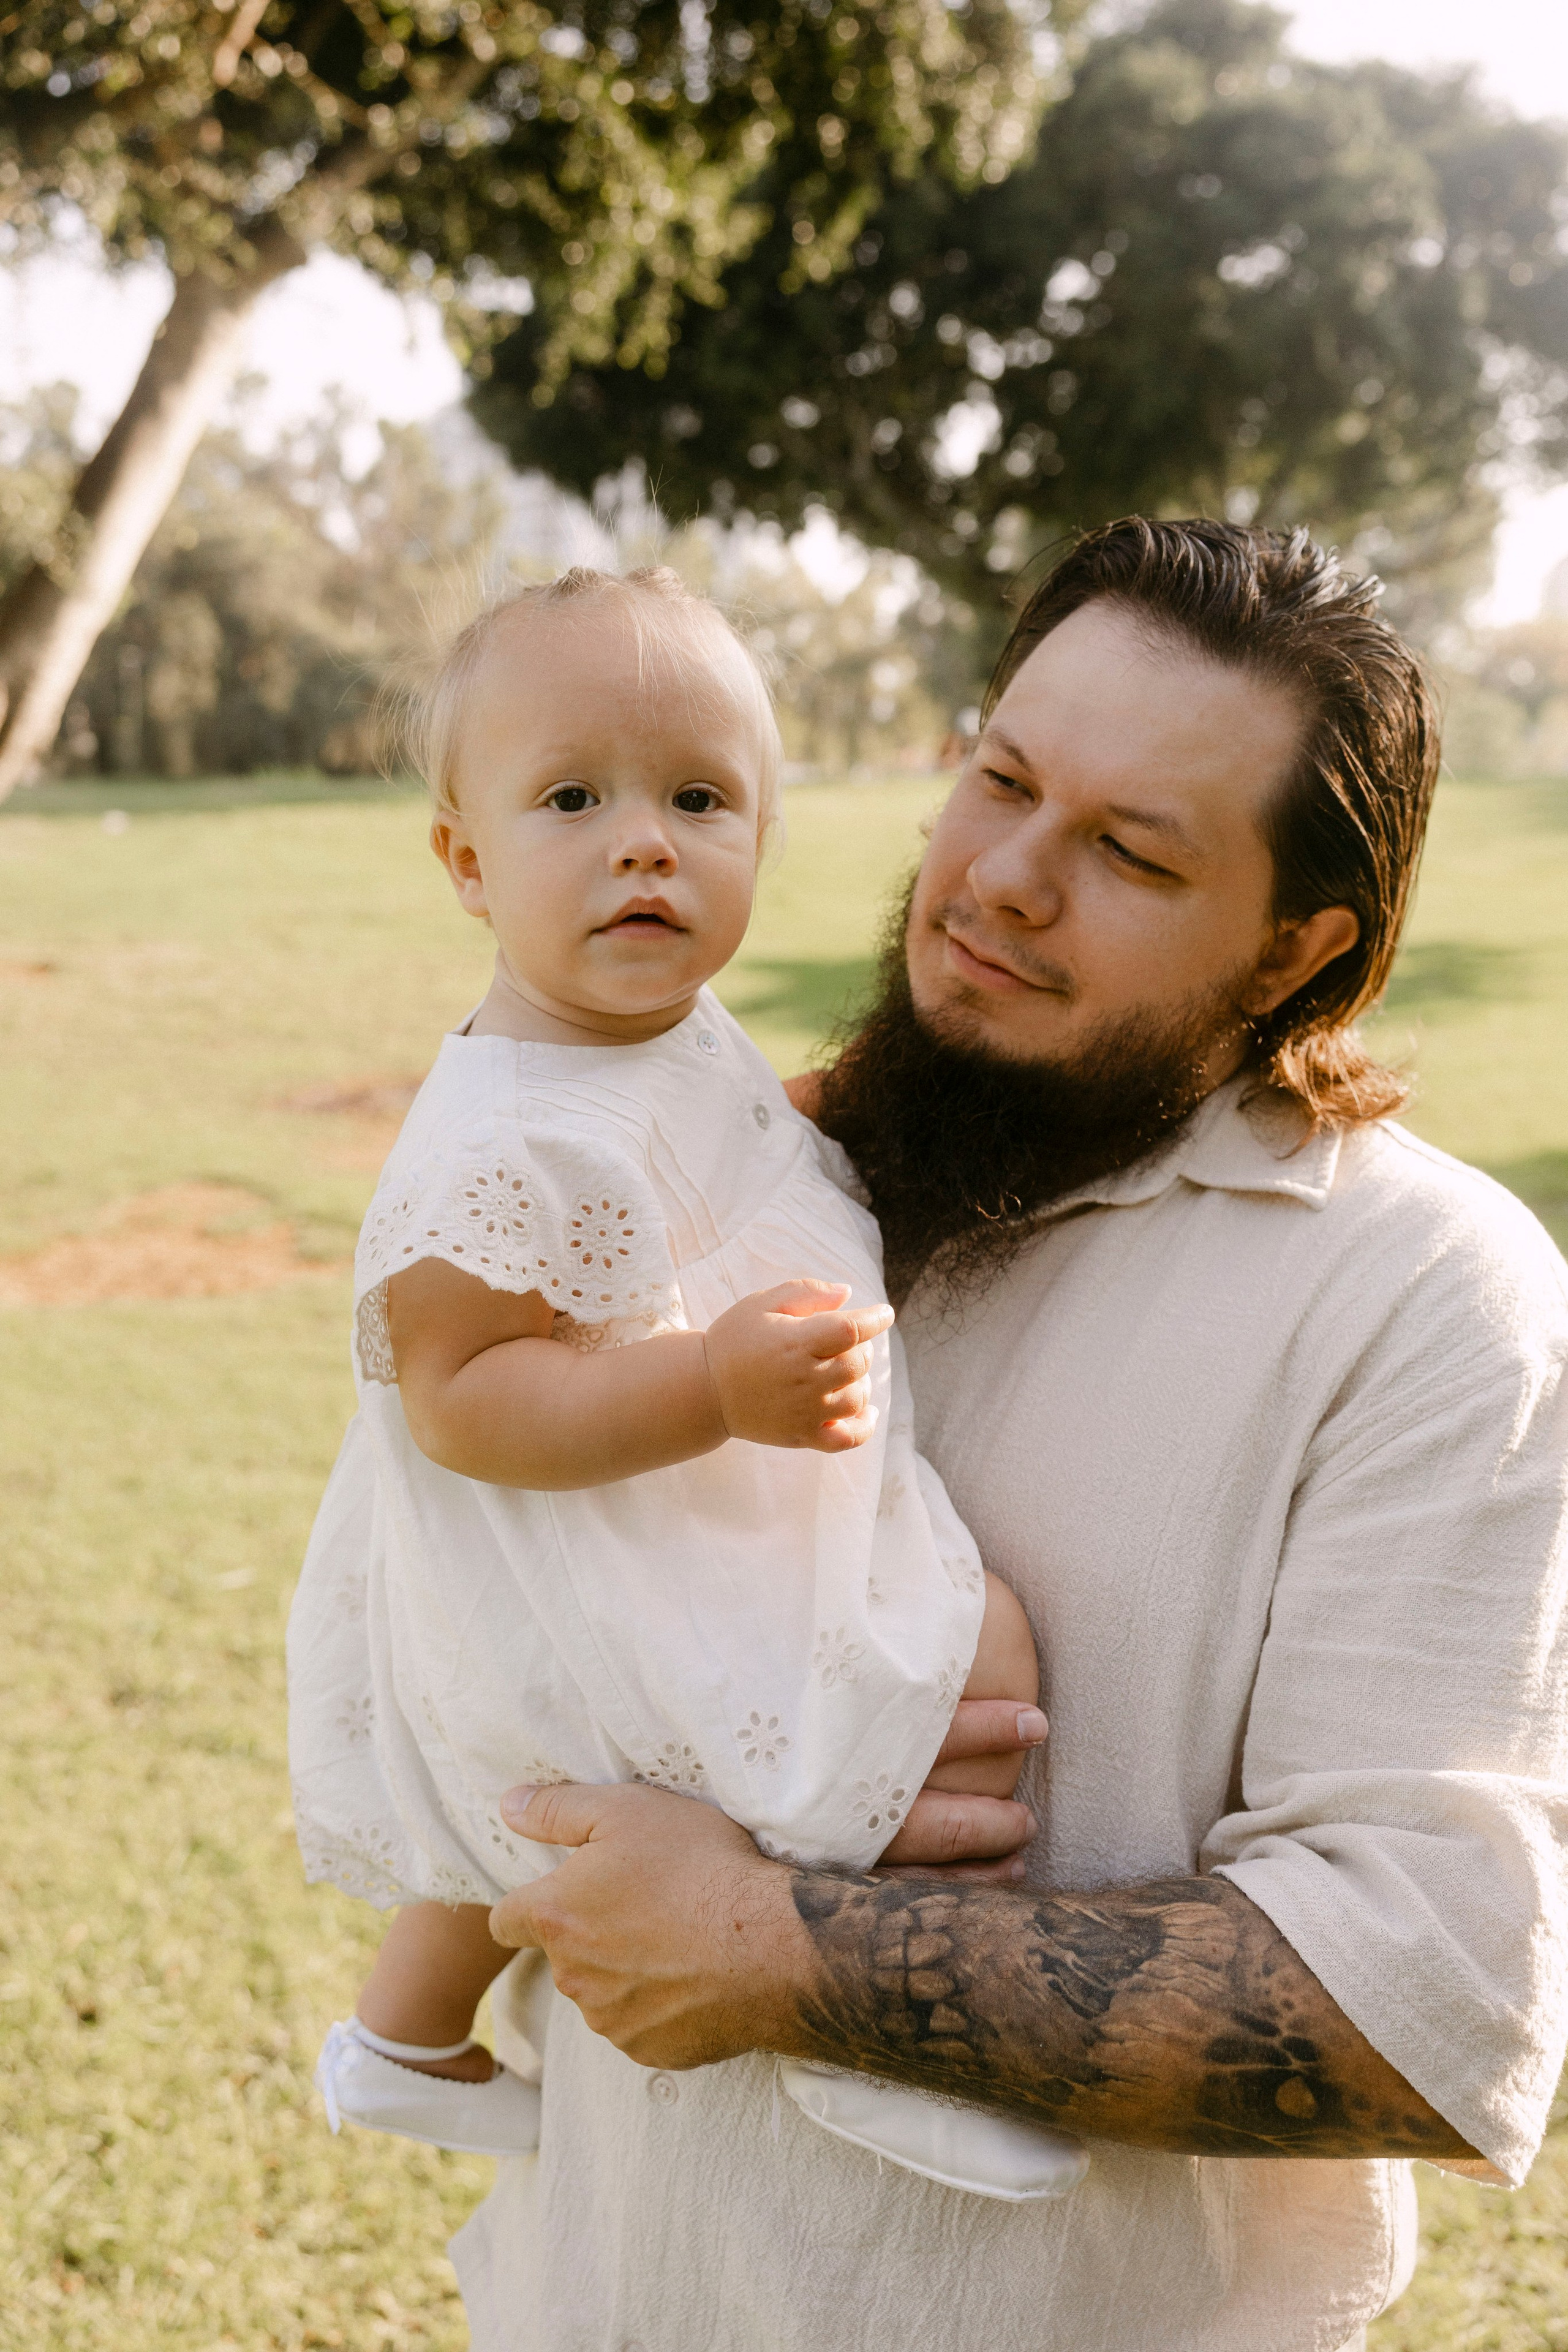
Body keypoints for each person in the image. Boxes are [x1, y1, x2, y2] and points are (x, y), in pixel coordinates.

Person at [451, 521, 1568, 2352]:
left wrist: (768, 1952)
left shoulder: (1426, 1300)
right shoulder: (737, 1162)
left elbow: (1422, 2012)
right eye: (1002, 777)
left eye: (1130, 850)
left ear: (1299, 948)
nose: (1005, 880)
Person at [286, 563, 1086, 2203]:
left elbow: (716, 1146)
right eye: (573, 797)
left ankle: (405, 2042)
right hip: (598, 1547)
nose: (645, 839)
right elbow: (461, 1396)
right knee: (969, 1643)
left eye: (701, 798)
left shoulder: (664, 1034)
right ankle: (879, 2030)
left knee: (523, 1822)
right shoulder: (498, 1137)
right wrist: (710, 1385)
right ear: (466, 858)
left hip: (657, 1524)